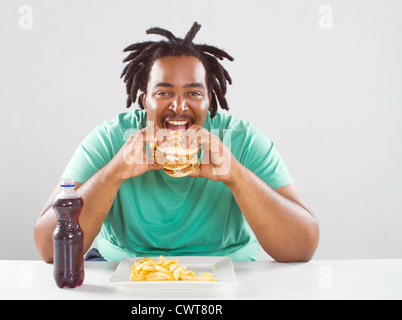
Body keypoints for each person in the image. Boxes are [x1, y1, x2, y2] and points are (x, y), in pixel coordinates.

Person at [34, 22, 319, 263]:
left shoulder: (241, 140)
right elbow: (49, 249)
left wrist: (236, 176)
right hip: (124, 273)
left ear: (210, 100)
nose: (179, 106)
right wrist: (113, 174)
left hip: (229, 272)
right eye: (163, 93)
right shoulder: (110, 140)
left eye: (194, 93)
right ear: (144, 100)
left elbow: (303, 246)